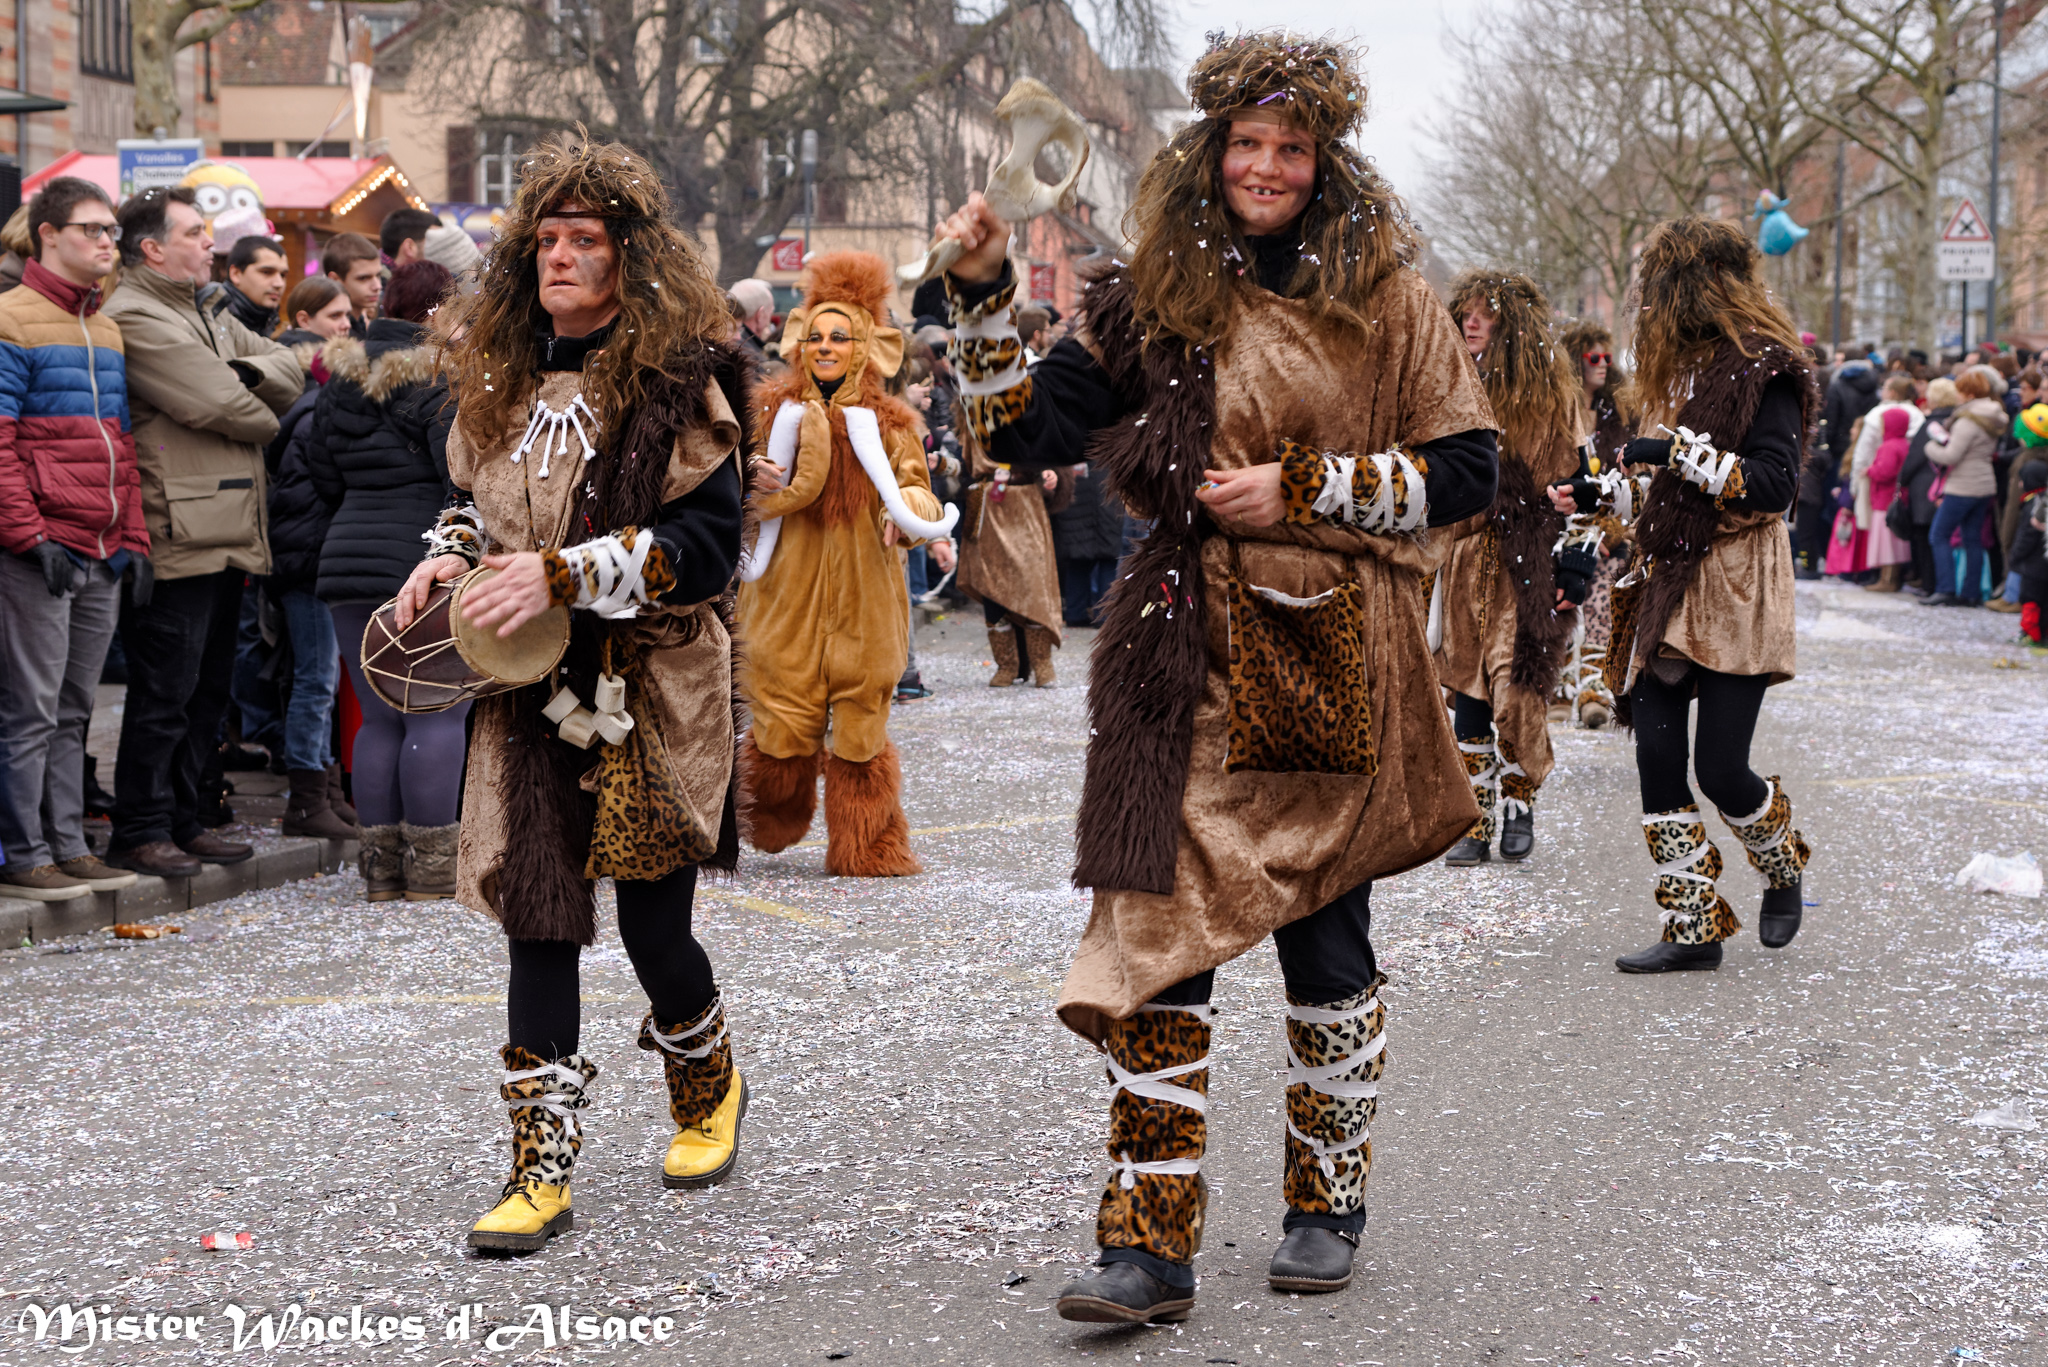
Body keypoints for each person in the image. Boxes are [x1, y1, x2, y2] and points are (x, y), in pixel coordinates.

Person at [930, 30, 1498, 1318]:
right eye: (1245, 142)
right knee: (1154, 938)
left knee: (1319, 929)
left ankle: (1324, 1201)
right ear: (1210, 153)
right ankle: (1147, 1245)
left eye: (1290, 147)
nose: (1264, 165)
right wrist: (974, 297)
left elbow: (1467, 469)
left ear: (1323, 162)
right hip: (1177, 652)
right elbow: (1026, 426)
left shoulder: (1390, 301)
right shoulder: (1153, 296)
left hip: (1325, 646)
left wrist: (1301, 488)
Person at [392, 137, 754, 1252]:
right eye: (545, 240)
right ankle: (538, 1166)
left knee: (654, 928)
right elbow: (471, 503)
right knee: (535, 920)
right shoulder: (496, 380)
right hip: (524, 687)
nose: (558, 258)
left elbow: (706, 545)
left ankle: (705, 1077)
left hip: (649, 685)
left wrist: (562, 572)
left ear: (626, 258)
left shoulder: (676, 381)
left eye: (582, 241)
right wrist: (450, 554)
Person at [1556, 216, 1814, 976]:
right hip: (1671, 581)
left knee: (1722, 768)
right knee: (1659, 760)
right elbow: (1668, 492)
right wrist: (1600, 492)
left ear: (1693, 288)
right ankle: (1693, 923)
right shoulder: (1682, 370)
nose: (1646, 303)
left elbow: (1771, 485)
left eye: (1657, 287)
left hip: (1736, 586)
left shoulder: (1769, 369)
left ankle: (1784, 864)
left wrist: (1672, 450)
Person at [102, 186, 301, 878]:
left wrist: (243, 375)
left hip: (227, 524)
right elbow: (233, 409)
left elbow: (292, 368)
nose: (210, 244)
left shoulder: (203, 310)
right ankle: (142, 826)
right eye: (195, 233)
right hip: (178, 529)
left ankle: (184, 818)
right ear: (153, 247)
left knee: (207, 691)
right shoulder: (134, 311)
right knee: (166, 691)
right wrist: (248, 391)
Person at [737, 251, 953, 875]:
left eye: (841, 337)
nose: (827, 347)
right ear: (799, 341)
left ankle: (869, 842)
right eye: (818, 336)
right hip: (785, 593)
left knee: (862, 722)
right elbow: (730, 485)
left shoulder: (889, 422)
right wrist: (754, 476)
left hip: (867, 595)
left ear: (864, 347)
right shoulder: (770, 413)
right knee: (780, 713)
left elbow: (917, 486)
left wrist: (907, 511)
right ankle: (775, 804)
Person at [0, 176, 146, 901]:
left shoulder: (108, 326)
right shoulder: (12, 320)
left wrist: (135, 539)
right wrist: (29, 536)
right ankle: (25, 851)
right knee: (30, 705)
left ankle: (65, 841)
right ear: (47, 234)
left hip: (98, 546)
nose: (107, 243)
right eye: (93, 230)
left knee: (74, 707)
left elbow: (119, 440)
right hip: (42, 547)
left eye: (112, 231)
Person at [311, 261, 462, 893]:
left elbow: (321, 476)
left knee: (378, 718)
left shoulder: (337, 383)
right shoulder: (438, 380)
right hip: (420, 560)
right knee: (434, 713)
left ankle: (379, 872)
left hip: (344, 559)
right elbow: (461, 478)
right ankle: (431, 871)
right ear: (436, 315)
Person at [1436, 273, 1589, 865]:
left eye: (1486, 313)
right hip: (1460, 558)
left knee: (1517, 683)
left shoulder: (1548, 397)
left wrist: (1573, 565)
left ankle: (1519, 795)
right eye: (1466, 312)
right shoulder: (1443, 384)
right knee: (1467, 685)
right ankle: (1476, 815)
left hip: (1524, 563)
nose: (1472, 321)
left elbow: (1579, 487)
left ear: (1513, 325)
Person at [261, 276, 363, 843]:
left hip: (314, 556)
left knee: (322, 677)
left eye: (348, 314)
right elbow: (303, 491)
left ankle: (322, 790)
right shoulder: (307, 395)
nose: (345, 324)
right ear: (303, 320)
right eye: (334, 315)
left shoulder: (325, 389)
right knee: (314, 679)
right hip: (308, 561)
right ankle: (306, 796)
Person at [1554, 319, 1630, 729]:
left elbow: (1632, 479)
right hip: (1561, 529)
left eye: (1607, 357)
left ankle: (1595, 693)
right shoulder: (1555, 407)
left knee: (1603, 608)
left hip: (1607, 531)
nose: (1602, 364)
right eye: (1593, 357)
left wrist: (1613, 533)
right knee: (1560, 606)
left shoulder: (1618, 412)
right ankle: (1559, 690)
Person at [1921, 365, 2006, 607]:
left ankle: (1946, 588)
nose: (1956, 395)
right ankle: (1970, 593)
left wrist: (1930, 447)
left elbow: (1951, 455)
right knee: (1973, 539)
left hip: (1963, 485)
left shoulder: (1968, 420)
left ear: (1969, 394)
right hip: (1984, 483)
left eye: (1960, 391)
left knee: (1939, 534)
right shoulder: (1993, 415)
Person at [1803, 347, 1878, 576]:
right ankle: (1856, 564)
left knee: (1835, 505)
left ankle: (1835, 558)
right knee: (1857, 506)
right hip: (1865, 448)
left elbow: (1831, 421)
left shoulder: (1839, 385)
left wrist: (1830, 448)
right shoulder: (1874, 385)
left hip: (1840, 452)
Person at [1850, 377, 1922, 591]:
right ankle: (1890, 577)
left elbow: (1885, 469)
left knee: (1886, 541)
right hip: (1896, 495)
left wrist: (1866, 471)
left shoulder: (1889, 446)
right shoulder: (1907, 436)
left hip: (1884, 498)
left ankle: (1887, 579)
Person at [1896, 376, 1957, 594]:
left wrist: (1902, 481)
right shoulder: (1955, 420)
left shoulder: (1930, 423)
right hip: (1948, 485)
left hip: (1925, 488)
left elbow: (1914, 458)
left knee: (1925, 536)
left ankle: (1929, 583)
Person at [209, 233, 288, 336]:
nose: (279, 284)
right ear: (236, 274)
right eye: (266, 272)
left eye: (283, 275)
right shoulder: (211, 319)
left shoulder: (267, 319)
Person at [323, 232, 384, 336]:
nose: (377, 286)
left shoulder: (363, 325)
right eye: (363, 278)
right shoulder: (329, 333)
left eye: (378, 275)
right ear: (335, 280)